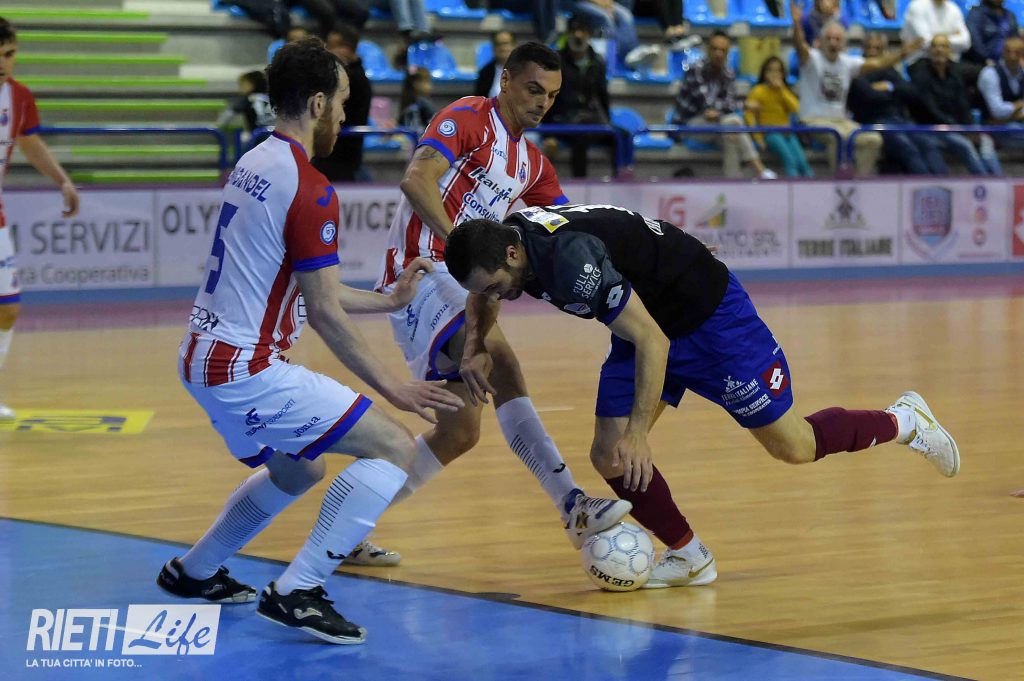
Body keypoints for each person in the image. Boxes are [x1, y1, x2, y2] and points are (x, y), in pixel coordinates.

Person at [444, 205, 961, 587]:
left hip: (709, 321)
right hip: (646, 318)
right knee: (610, 454)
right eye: (485, 289)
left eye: (497, 285)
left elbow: (654, 342)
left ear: (513, 253)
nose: (494, 296)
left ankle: (904, 421)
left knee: (794, 446)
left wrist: (641, 432)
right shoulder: (507, 244)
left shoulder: (568, 262)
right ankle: (690, 556)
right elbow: (484, 294)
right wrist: (473, 348)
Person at [156, 38, 465, 644]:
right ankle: (298, 590)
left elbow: (306, 286)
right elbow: (322, 310)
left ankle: (193, 571)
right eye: (343, 103)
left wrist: (388, 301)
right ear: (318, 103)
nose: (346, 117)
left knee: (299, 471)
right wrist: (395, 387)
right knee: (394, 448)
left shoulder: (254, 161)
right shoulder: (309, 185)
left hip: (200, 358)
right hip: (246, 369)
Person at [374, 42, 632, 552]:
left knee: (459, 433)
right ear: (506, 80)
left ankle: (348, 521)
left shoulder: (534, 165)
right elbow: (416, 180)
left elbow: (578, 229)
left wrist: (661, 245)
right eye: (534, 89)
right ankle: (572, 504)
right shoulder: (469, 117)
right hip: (420, 270)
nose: (542, 103)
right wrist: (463, 249)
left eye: (552, 96)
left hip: (462, 282)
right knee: (502, 360)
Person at [0, 17, 80, 420]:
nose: (3, 63)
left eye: (9, 54)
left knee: (8, 308)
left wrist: (62, 180)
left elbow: (29, 143)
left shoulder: (19, 96)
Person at [791, 2, 921, 176]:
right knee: (836, 137)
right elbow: (799, 46)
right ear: (821, 41)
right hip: (813, 120)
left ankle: (859, 183)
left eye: (837, 39)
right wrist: (796, 24)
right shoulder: (811, 59)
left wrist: (903, 54)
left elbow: (879, 63)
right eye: (829, 39)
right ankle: (838, 184)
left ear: (843, 43)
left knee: (872, 139)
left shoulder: (847, 62)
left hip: (841, 121)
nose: (833, 43)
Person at [669, 30, 777, 179]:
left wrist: (720, 110)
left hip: (718, 125)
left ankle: (732, 182)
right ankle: (759, 168)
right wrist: (743, 105)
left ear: (728, 52)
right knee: (733, 122)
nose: (718, 54)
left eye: (723, 50)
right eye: (714, 49)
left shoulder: (728, 73)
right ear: (707, 49)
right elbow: (707, 104)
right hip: (689, 125)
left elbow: (726, 104)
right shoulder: (696, 70)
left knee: (731, 134)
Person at [847, 33, 948, 175]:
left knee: (927, 143)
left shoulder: (889, 70)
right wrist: (893, 93)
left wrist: (889, 87)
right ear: (862, 49)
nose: (873, 52)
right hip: (874, 121)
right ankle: (926, 184)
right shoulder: (857, 71)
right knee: (906, 147)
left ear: (883, 51)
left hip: (899, 119)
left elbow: (911, 91)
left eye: (877, 48)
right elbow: (870, 96)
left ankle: (944, 183)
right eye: (869, 48)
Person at [909, 34, 1001, 175]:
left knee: (985, 141)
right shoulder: (920, 71)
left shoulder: (955, 72)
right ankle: (984, 181)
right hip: (931, 128)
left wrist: (971, 128)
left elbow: (962, 104)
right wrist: (960, 130)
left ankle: (997, 180)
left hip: (957, 127)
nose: (939, 50)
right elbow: (930, 108)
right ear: (929, 50)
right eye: (935, 46)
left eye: (943, 46)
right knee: (965, 145)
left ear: (950, 51)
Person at [542, 15, 617, 178]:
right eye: (574, 30)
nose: (578, 35)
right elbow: (546, 97)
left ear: (589, 34)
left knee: (621, 136)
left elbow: (603, 96)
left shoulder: (597, 61)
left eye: (582, 31)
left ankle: (621, 182)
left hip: (590, 119)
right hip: (562, 120)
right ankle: (580, 183)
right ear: (568, 34)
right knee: (581, 136)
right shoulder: (556, 62)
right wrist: (548, 134)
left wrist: (608, 124)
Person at [314, 22, 372, 183]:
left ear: (345, 49)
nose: (327, 51)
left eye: (331, 46)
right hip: (332, 155)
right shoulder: (349, 75)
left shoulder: (353, 79)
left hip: (341, 156)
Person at [744, 56, 812, 177]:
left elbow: (796, 109)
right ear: (764, 73)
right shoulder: (758, 91)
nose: (774, 74)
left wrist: (781, 90)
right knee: (790, 160)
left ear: (783, 73)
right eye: (770, 70)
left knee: (803, 163)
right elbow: (749, 116)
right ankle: (792, 187)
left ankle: (811, 186)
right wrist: (758, 138)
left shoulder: (784, 91)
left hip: (787, 132)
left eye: (778, 71)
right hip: (770, 133)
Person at [216, 70, 276, 148]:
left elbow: (229, 115)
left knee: (244, 140)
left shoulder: (248, 99)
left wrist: (220, 125)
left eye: (242, 84)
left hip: (256, 138)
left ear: (251, 84)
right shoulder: (271, 99)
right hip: (276, 137)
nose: (239, 88)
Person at [900, 0, 971, 65]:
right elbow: (926, 42)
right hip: (921, 60)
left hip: (949, 61)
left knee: (973, 71)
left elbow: (966, 43)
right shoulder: (917, 7)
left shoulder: (953, 8)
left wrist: (936, 37)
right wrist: (952, 36)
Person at [965, 0, 1019, 66]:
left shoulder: (1010, 16)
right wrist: (986, 59)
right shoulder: (976, 14)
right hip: (982, 63)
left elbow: (1016, 41)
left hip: (1007, 63)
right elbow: (975, 42)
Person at [475, 31, 516, 99]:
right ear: (493, 47)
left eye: (505, 43)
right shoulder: (485, 72)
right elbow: (479, 100)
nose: (502, 47)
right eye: (498, 44)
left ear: (513, 46)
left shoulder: (523, 70)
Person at [398, 66, 436, 134]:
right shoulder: (423, 103)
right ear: (416, 83)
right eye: (427, 82)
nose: (431, 86)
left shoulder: (407, 102)